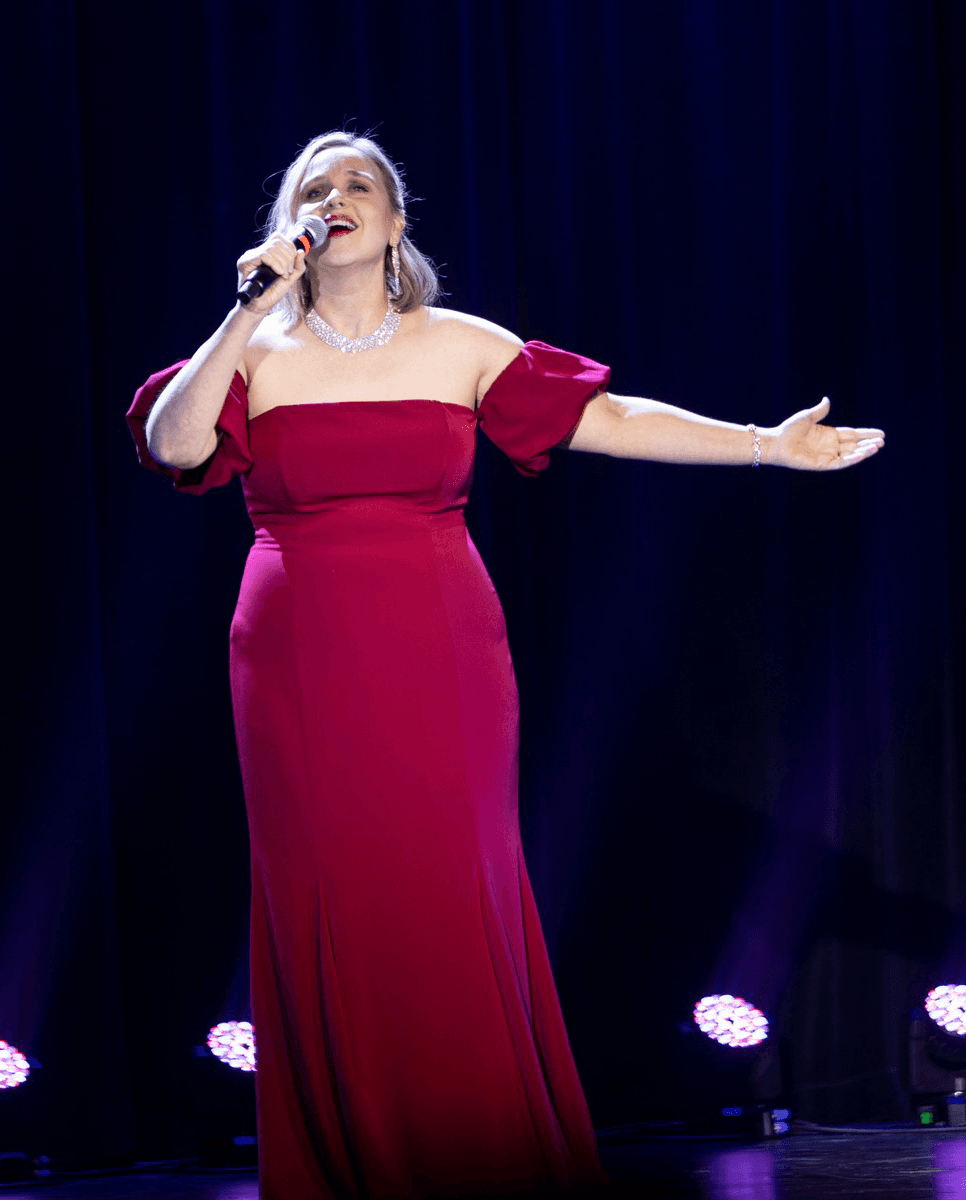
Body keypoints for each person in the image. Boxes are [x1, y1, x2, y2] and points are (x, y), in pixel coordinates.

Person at [127, 131, 884, 1199]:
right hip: (296, 645)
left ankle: (478, 1149)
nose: (337, 199)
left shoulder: (460, 342)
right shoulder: (251, 350)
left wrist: (764, 442)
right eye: (315, 187)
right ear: (284, 225)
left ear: (395, 225)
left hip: (440, 638)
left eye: (361, 186)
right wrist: (249, 310)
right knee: (329, 886)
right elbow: (174, 443)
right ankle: (353, 1156)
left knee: (449, 878)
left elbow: (607, 419)